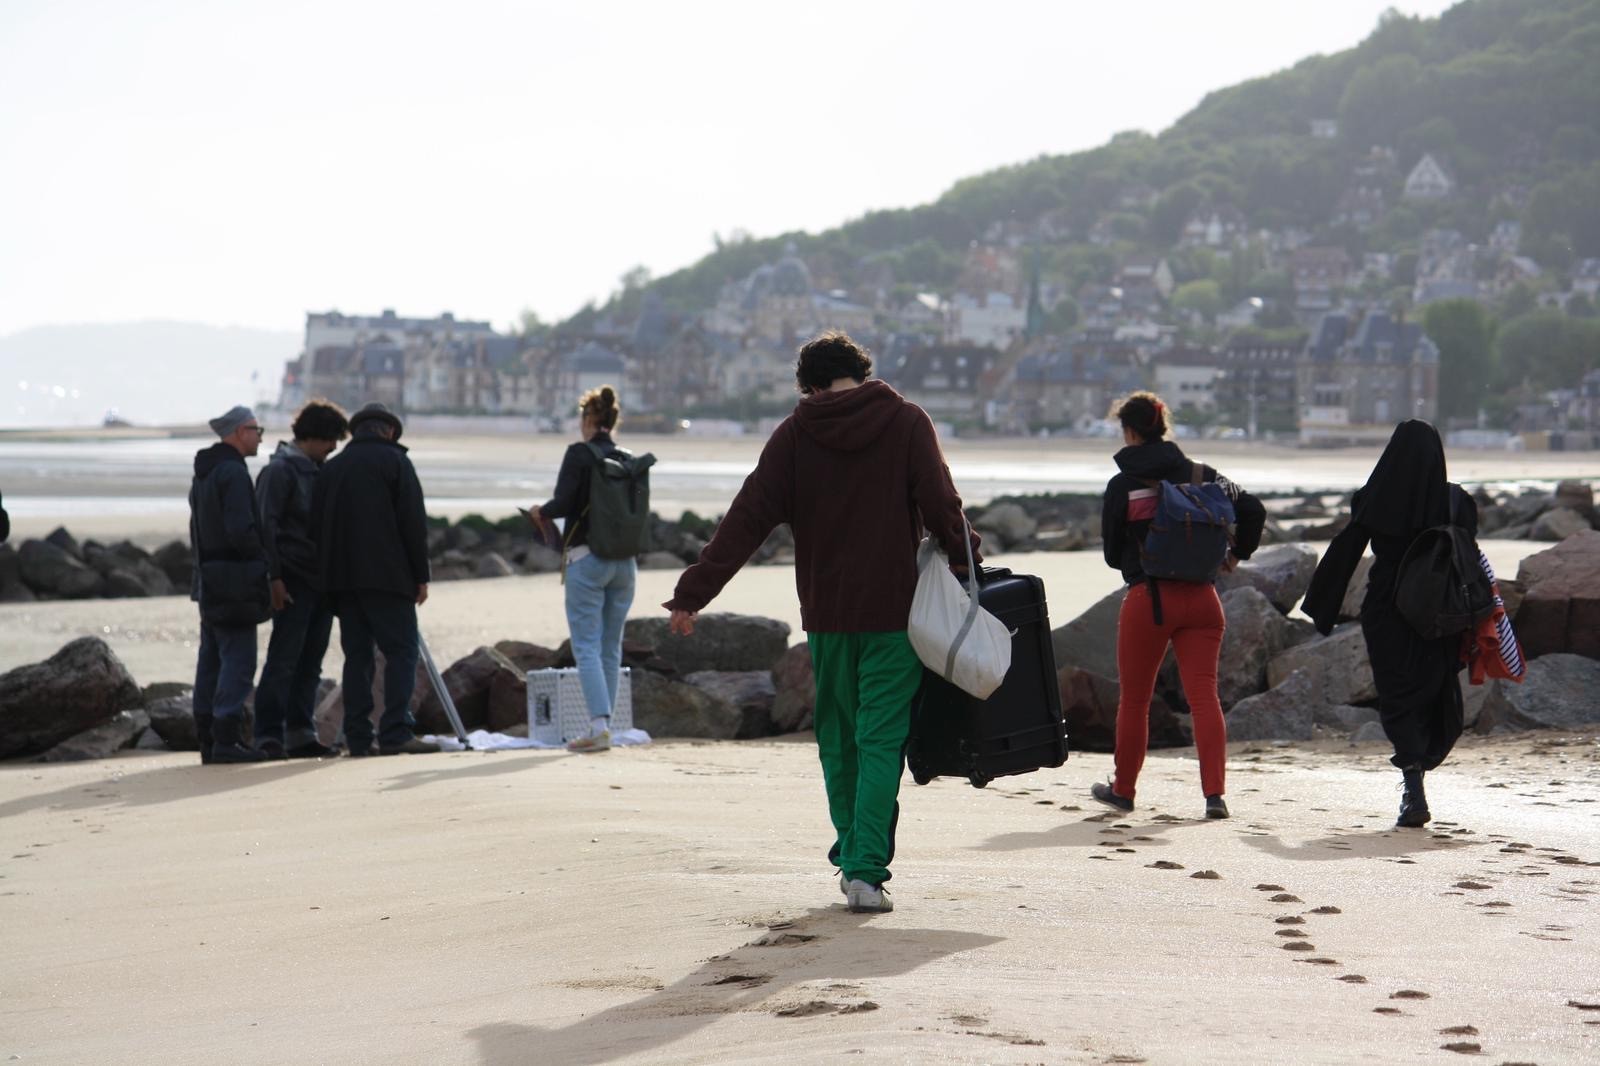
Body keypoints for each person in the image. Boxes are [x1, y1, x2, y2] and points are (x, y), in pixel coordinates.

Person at [664, 331, 978, 914]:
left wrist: (693, 592)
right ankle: (864, 869)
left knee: (838, 740)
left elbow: (746, 518)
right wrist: (968, 560)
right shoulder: (907, 422)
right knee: (881, 738)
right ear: (861, 372)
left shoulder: (795, 435)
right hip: (894, 615)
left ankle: (854, 850)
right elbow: (942, 505)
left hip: (829, 618)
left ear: (808, 384)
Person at [1094, 391, 1265, 819]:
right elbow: (1254, 509)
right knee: (1205, 698)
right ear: (1163, 426)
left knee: (1135, 700)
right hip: (1204, 600)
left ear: (1129, 431)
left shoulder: (1122, 486)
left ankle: (1124, 790)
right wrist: (1234, 555)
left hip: (1148, 600)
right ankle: (1214, 796)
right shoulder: (1204, 474)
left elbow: (1113, 555)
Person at [1303, 419, 1473, 828]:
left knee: (1397, 695)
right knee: (1435, 686)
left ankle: (1412, 784)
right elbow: (1468, 558)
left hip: (1388, 608)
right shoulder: (1457, 502)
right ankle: (1420, 769)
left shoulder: (1375, 496)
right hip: (1441, 612)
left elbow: (1346, 549)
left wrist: (1321, 607)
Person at [310, 402, 437, 756]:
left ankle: (358, 736)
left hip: (343, 581)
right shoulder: (397, 463)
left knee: (357, 657)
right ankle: (396, 732)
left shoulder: (332, 470)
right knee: (401, 652)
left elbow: (317, 525)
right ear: (389, 431)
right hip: (388, 577)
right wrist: (420, 576)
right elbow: (413, 524)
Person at [523, 385, 636, 755]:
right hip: (625, 563)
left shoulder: (579, 453)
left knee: (586, 646)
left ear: (589, 419)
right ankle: (607, 726)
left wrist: (541, 511)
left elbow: (564, 501)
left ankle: (599, 727)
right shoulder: (626, 457)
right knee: (610, 647)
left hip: (586, 560)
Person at [252, 399, 349, 759]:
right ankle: (268, 734)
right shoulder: (280, 472)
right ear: (315, 436)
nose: (334, 448)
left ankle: (299, 731)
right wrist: (274, 578)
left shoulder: (314, 469)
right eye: (332, 440)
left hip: (319, 581)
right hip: (293, 579)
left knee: (310, 662)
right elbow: (266, 528)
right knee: (284, 659)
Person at [189, 404, 272, 764]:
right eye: (256, 430)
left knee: (210, 660)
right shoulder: (233, 473)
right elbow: (242, 529)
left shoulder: (204, 473)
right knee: (238, 661)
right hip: (234, 578)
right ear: (240, 431)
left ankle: (208, 738)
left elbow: (196, 529)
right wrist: (261, 562)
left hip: (208, 578)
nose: (259, 437)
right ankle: (226, 739)